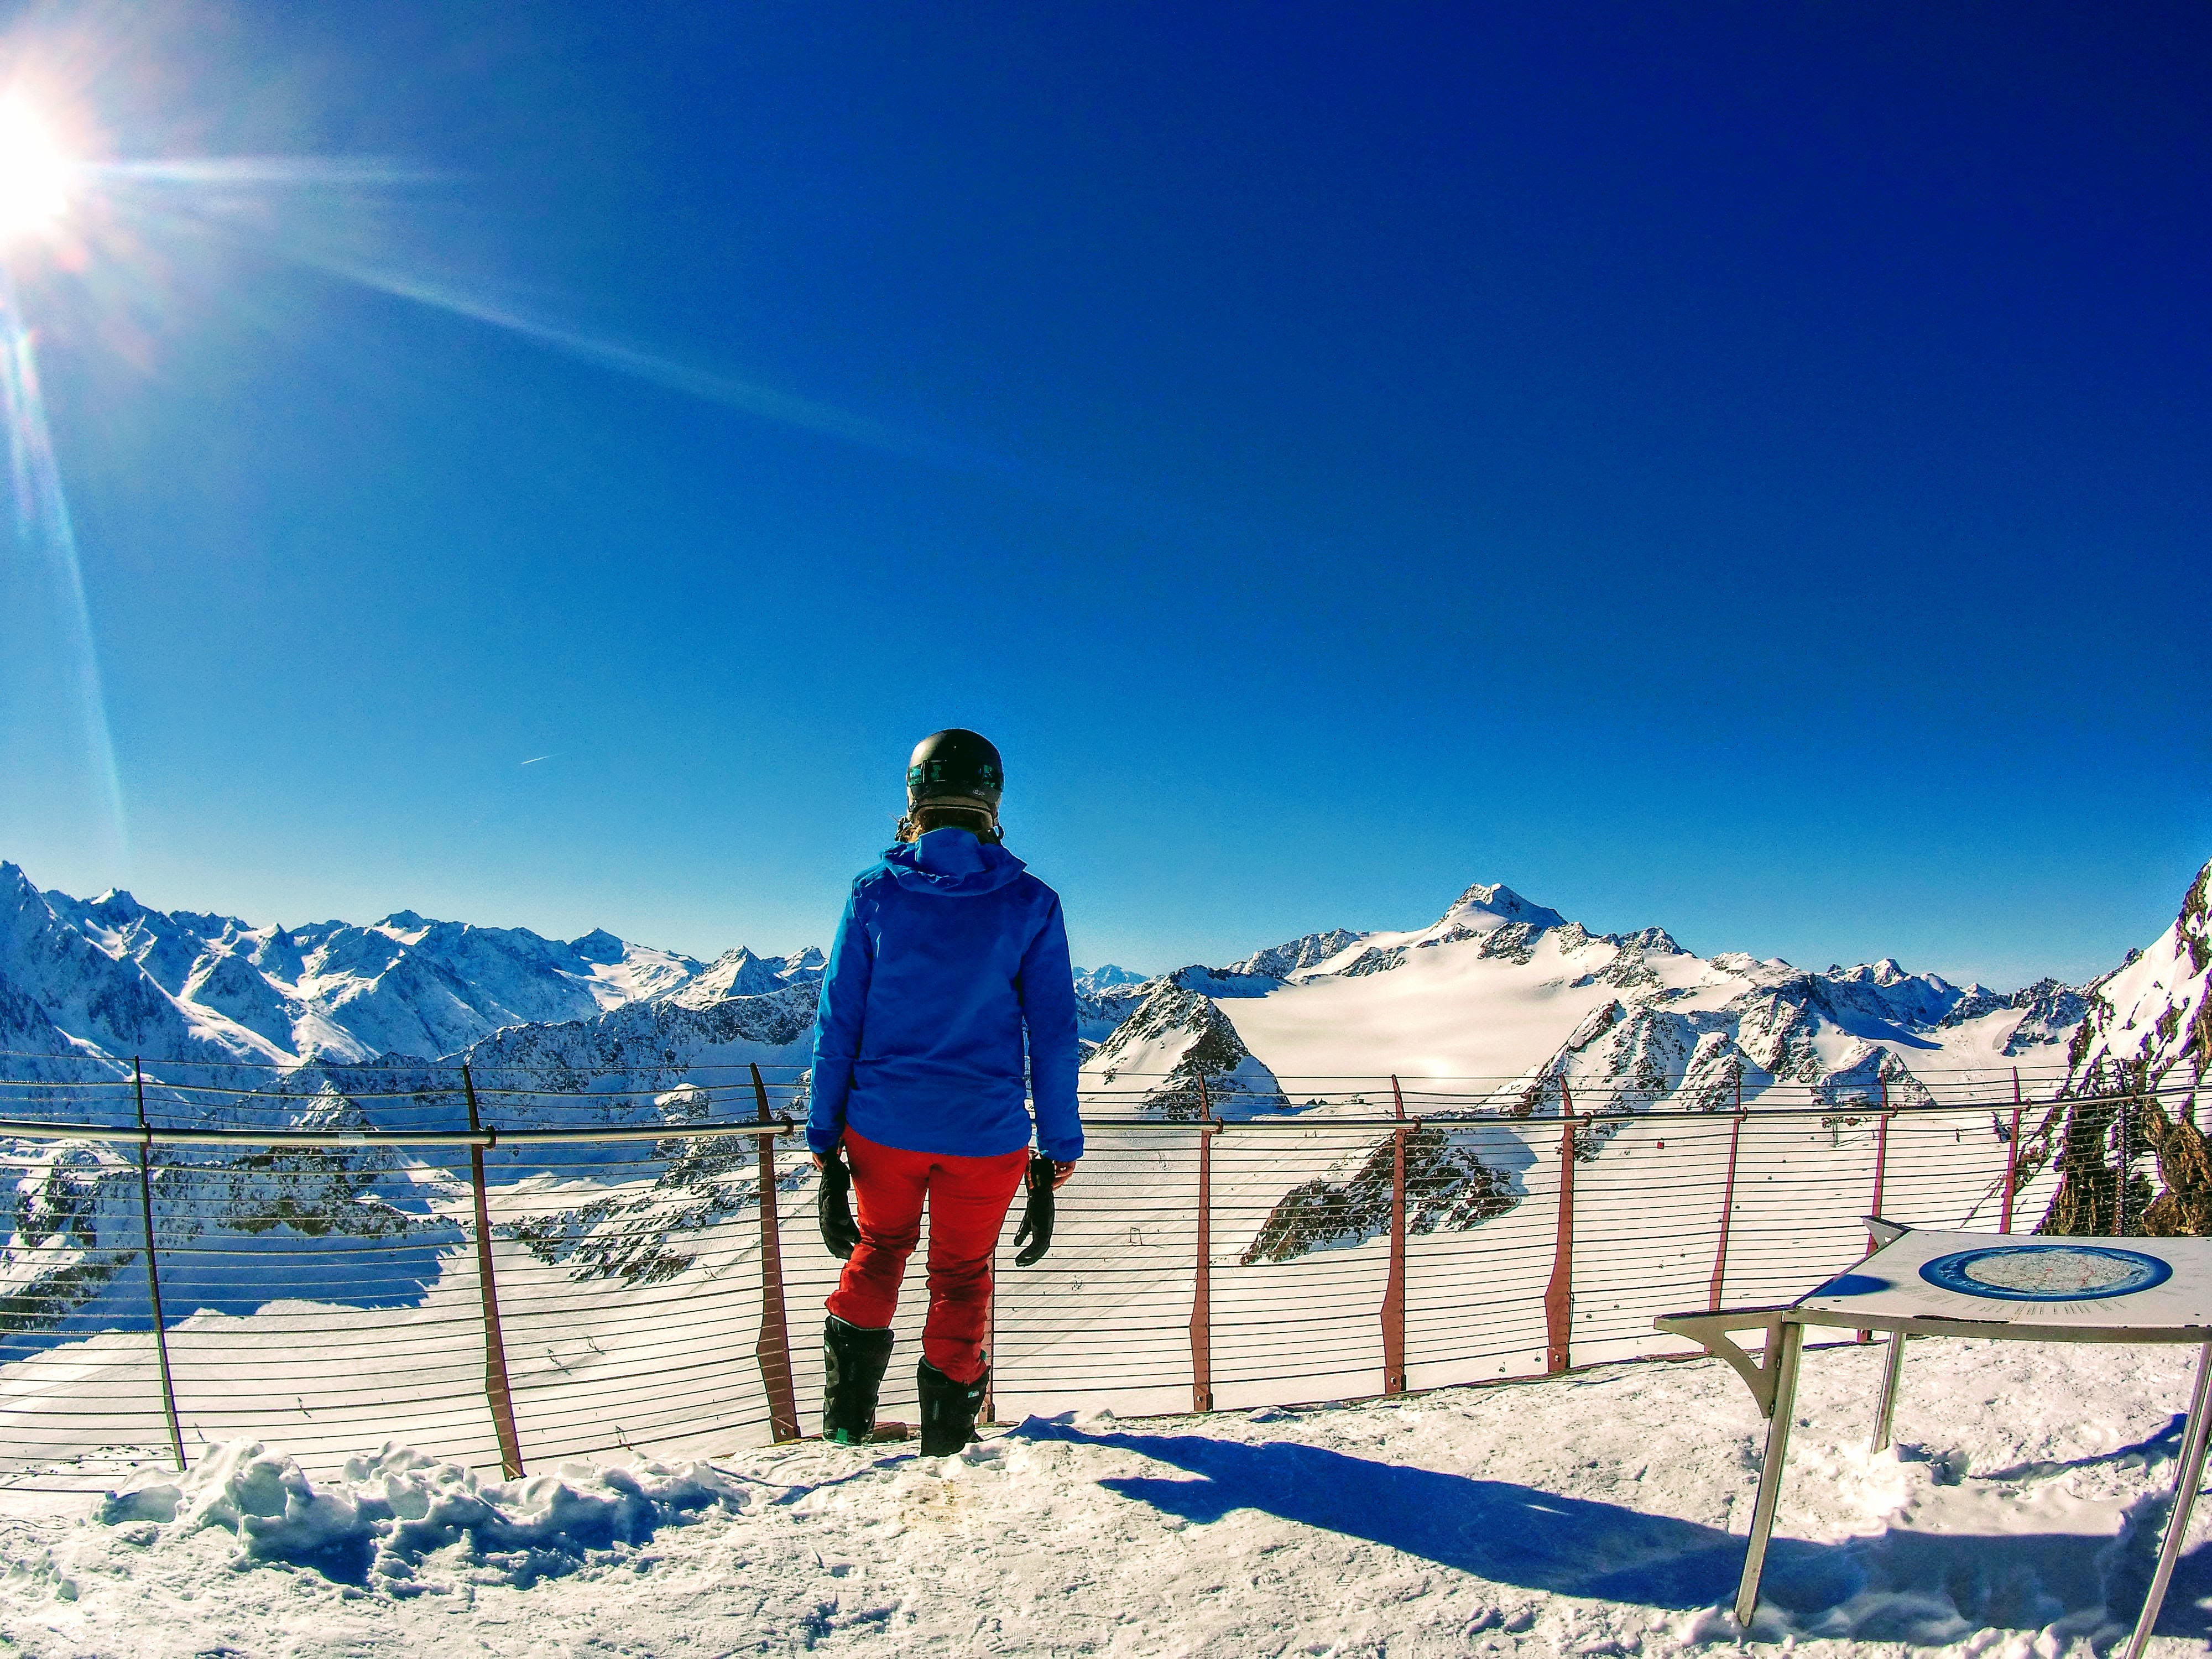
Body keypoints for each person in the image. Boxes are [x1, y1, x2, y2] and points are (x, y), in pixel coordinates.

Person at [806, 728, 1082, 1454]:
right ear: (993, 800)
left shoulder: (873, 893)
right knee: (961, 1278)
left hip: (882, 1127)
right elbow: (1054, 1036)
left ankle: (845, 1423)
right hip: (986, 1136)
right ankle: (947, 1445)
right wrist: (1058, 1145)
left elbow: (838, 1021)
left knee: (880, 1249)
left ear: (913, 798)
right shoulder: (1032, 903)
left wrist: (823, 1134)